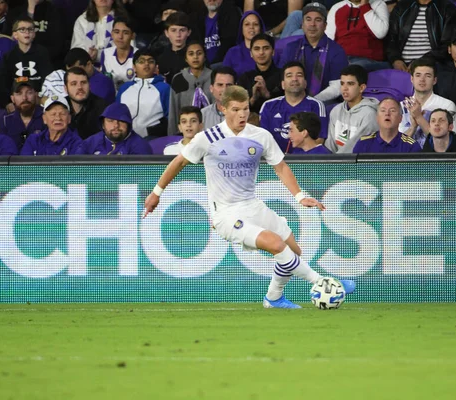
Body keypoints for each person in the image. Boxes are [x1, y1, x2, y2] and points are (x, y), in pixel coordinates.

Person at [143, 85, 355, 308]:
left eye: (245, 108)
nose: (242, 114)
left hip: (253, 205)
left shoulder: (260, 136)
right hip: (225, 214)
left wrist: (300, 196)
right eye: (235, 109)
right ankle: (326, 283)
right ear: (223, 109)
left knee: (293, 251)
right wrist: (156, 193)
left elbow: (280, 167)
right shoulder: (207, 138)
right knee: (276, 244)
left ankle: (273, 297)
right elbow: (179, 162)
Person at [279, 2, 349, 102]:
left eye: (318, 20)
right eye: (308, 19)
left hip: (324, 102)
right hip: (292, 100)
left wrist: (312, 101)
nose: (312, 24)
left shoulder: (336, 51)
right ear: (302, 25)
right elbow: (282, 78)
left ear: (325, 26)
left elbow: (337, 86)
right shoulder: (291, 48)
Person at [260, 61, 327, 153]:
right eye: (289, 75)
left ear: (305, 83)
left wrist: (297, 160)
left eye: (299, 75)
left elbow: (319, 140)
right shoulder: (268, 106)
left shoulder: (316, 105)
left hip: (304, 162)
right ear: (282, 84)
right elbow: (263, 139)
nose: (294, 79)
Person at [0, 16, 53, 108]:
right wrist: (7, 103)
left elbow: (48, 78)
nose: (27, 32)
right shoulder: (9, 56)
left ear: (34, 34)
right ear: (15, 35)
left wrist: (42, 98)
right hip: (16, 102)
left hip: (38, 101)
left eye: (30, 29)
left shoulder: (42, 53)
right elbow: (2, 83)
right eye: (22, 29)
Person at [400, 57, 456, 148]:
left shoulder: (446, 105)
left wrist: (419, 118)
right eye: (418, 75)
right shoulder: (402, 106)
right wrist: (412, 128)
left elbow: (445, 143)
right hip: (407, 159)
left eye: (427, 76)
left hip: (435, 159)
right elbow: (398, 145)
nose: (422, 79)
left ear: (434, 80)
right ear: (411, 79)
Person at [387, 0, 456, 72]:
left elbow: (447, 44)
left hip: (433, 65)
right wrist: (395, 60)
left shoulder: (447, 8)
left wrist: (422, 61)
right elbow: (391, 40)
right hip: (403, 67)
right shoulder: (401, 7)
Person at [117, 48, 171, 138]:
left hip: (153, 138)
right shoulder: (124, 88)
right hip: (126, 138)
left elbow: (170, 117)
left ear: (155, 67)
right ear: (134, 67)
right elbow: (117, 114)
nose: (146, 64)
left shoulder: (164, 88)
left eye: (150, 61)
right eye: (141, 61)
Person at [325, 0, 390, 72]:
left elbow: (381, 33)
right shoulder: (336, 7)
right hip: (342, 58)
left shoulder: (378, 4)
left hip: (369, 60)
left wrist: (365, 6)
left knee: (351, 69)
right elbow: (328, 39)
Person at [326, 64, 378, 153]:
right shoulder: (336, 110)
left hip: (358, 164)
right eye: (342, 84)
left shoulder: (369, 114)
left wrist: (334, 162)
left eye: (350, 84)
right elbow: (330, 144)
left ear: (362, 88)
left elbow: (357, 147)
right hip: (335, 163)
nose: (344, 88)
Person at [1, 0, 66, 69]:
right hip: (17, 64)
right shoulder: (14, 13)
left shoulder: (54, 12)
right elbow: (5, 40)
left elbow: (57, 44)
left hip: (46, 64)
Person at [41, 48, 116, 104]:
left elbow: (83, 105)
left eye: (77, 70)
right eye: (69, 71)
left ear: (89, 65)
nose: (73, 74)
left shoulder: (102, 82)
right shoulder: (65, 77)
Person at [168, 41, 213, 135]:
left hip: (210, 129)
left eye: (199, 53)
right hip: (186, 132)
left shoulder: (214, 77)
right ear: (186, 58)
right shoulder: (178, 79)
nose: (195, 57)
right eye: (191, 54)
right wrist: (172, 137)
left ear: (204, 57)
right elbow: (173, 111)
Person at [74, 103, 152, 155]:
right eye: (110, 121)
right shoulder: (92, 142)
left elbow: (138, 178)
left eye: (121, 121)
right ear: (103, 125)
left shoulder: (140, 146)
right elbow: (75, 167)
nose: (116, 125)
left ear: (128, 124)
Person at [353, 97, 421, 153]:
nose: (387, 114)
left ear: (400, 118)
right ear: (377, 118)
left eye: (392, 110)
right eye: (383, 110)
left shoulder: (411, 146)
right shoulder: (363, 143)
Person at [238, 33, 282, 113]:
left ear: (273, 52)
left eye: (266, 48)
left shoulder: (283, 76)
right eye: (257, 49)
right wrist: (253, 99)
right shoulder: (244, 78)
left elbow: (287, 105)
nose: (261, 52)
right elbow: (238, 110)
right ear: (251, 53)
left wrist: (268, 95)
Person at [64, 66, 108, 140]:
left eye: (83, 83)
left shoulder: (103, 108)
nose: (80, 87)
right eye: (74, 84)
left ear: (89, 85)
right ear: (66, 88)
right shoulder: (61, 107)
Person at [0, 80, 45, 149]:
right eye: (19, 93)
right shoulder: (5, 120)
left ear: (36, 95)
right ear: (12, 98)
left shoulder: (47, 117)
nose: (24, 98)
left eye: (29, 93)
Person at [194, 0, 241, 66]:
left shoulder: (232, 14)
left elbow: (229, 43)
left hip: (225, 65)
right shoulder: (197, 18)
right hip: (203, 67)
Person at [223, 11, 266, 78]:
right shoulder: (232, 52)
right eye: (247, 24)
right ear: (241, 28)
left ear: (261, 28)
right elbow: (224, 77)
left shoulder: (268, 50)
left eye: (255, 24)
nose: (251, 27)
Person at [101, 17, 137, 90]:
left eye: (125, 33)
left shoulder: (139, 55)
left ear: (133, 36)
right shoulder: (106, 53)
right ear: (112, 34)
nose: (120, 37)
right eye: (117, 32)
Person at [157, 12, 192, 84]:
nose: (178, 35)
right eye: (173, 30)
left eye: (182, 30)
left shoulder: (195, 56)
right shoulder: (161, 58)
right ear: (166, 33)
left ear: (189, 32)